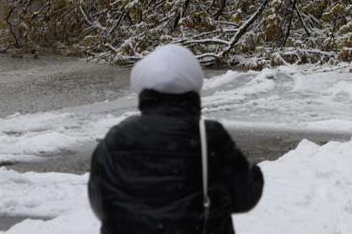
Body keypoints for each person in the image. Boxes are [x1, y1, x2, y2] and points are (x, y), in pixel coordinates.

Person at [88, 44, 263, 233]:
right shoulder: (209, 137)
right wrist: (252, 170)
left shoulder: (116, 139)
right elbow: (246, 196)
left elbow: (100, 204)